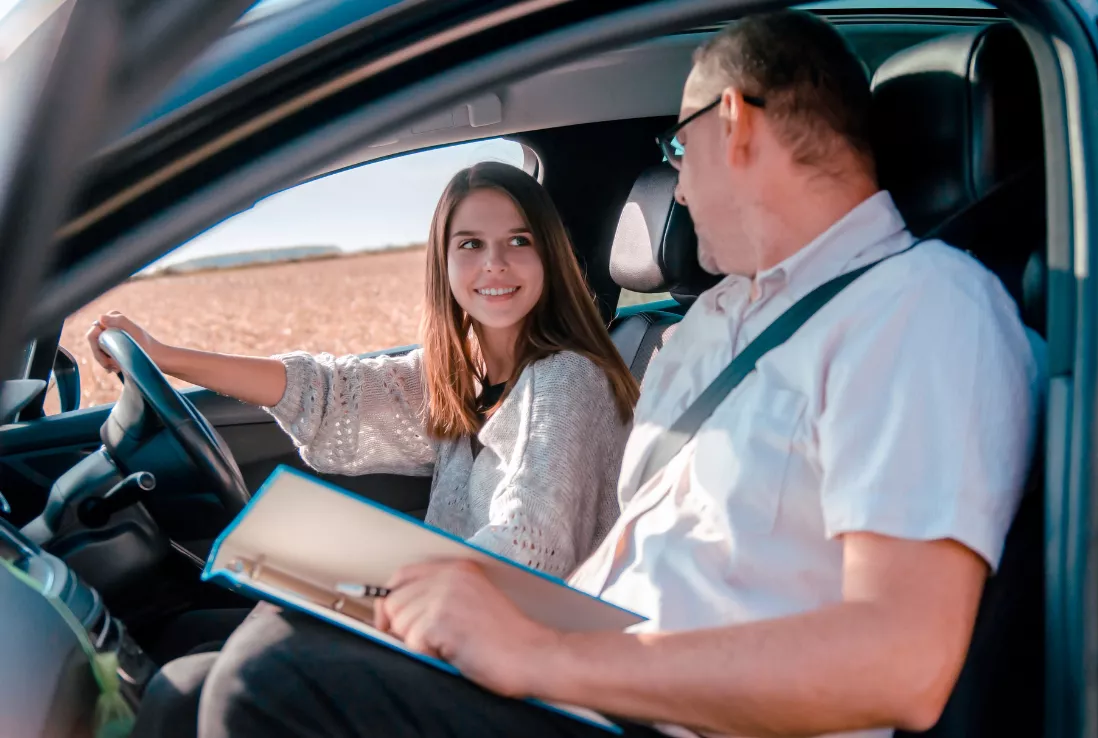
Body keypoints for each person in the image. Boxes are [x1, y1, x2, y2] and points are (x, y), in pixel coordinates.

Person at [193, 10, 1045, 738]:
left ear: (737, 123)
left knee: (267, 681)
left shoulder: (926, 308)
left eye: (679, 148)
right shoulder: (710, 325)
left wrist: (545, 657)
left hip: (669, 715)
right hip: (598, 684)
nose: (676, 184)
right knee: (234, 656)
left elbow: (903, 660)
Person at [90, 163, 639, 736]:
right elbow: (331, 393)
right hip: (460, 630)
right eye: (471, 244)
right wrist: (165, 355)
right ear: (444, 263)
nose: (494, 264)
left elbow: (529, 549)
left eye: (518, 242)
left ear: (548, 254)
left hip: (528, 669)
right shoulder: (460, 375)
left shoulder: (568, 379)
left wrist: (363, 584)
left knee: (227, 673)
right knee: (185, 683)